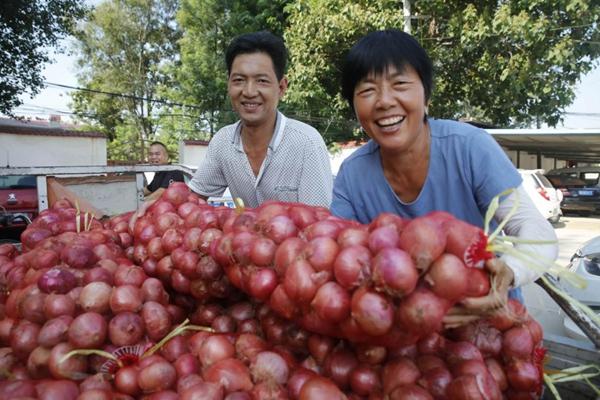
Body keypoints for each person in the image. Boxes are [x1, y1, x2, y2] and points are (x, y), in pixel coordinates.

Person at [330, 29, 558, 326]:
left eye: (400, 84)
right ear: (355, 107)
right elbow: (341, 255)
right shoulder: (352, 175)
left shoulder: (469, 147)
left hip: (488, 324)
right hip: (409, 334)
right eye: (367, 91)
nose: (384, 101)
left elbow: (534, 229)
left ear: (426, 96)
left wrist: (510, 272)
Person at [188, 31, 333, 208]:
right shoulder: (223, 143)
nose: (249, 92)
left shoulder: (306, 144)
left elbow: (318, 223)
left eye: (262, 81)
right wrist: (162, 202)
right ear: (229, 85)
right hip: (243, 235)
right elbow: (190, 201)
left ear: (281, 87)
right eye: (239, 80)